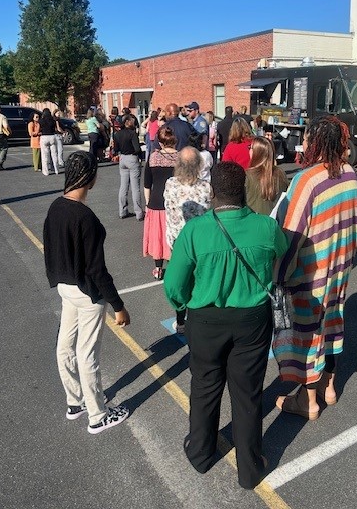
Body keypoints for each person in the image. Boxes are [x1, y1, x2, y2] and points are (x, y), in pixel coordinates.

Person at [164, 162, 288, 489]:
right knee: (247, 393)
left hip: (206, 319)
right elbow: (282, 253)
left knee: (205, 387)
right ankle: (249, 468)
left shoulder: (195, 230)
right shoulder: (266, 226)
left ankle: (201, 454)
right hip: (252, 319)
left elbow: (174, 286)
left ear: (212, 192)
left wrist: (183, 306)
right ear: (244, 190)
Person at [273, 116, 357, 421]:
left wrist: (279, 276)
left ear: (315, 143)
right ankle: (329, 387)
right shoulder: (351, 174)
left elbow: (290, 235)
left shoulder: (307, 180)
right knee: (333, 323)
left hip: (310, 274)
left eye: (307, 139)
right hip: (340, 269)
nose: (304, 144)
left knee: (308, 333)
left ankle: (307, 402)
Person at [43, 151, 130, 434]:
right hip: (87, 291)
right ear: (90, 178)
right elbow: (97, 270)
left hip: (65, 287)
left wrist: (57, 279)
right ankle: (97, 415)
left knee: (65, 345)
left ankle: (74, 401)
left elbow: (51, 250)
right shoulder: (85, 218)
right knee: (86, 353)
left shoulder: (55, 207)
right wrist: (118, 305)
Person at [163, 147, 211, 332]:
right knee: (199, 279)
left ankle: (181, 320)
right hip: (200, 242)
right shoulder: (205, 187)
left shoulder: (171, 184)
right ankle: (198, 316)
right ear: (199, 164)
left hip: (177, 241)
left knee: (181, 281)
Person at [143, 125, 179, 280]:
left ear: (160, 141)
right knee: (172, 236)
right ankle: (173, 268)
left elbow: (147, 184)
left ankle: (158, 268)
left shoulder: (153, 157)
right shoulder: (180, 158)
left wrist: (147, 202)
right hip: (174, 203)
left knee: (158, 238)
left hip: (156, 202)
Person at [245, 136, 289, 215]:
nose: (249, 151)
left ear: (256, 152)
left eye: (250, 148)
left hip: (253, 221)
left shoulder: (247, 176)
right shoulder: (280, 174)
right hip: (274, 221)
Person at [113, 116, 144, 221]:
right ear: (127, 122)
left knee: (123, 186)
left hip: (123, 158)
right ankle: (139, 212)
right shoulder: (132, 134)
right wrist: (140, 157)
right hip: (132, 158)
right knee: (135, 188)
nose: (134, 122)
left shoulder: (117, 134)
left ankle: (122, 211)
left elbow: (116, 149)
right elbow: (137, 149)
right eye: (132, 121)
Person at [39, 108, 59, 176]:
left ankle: (46, 171)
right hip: (52, 136)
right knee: (54, 154)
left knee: (45, 155)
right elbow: (55, 128)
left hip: (44, 137)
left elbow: (40, 129)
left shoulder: (41, 120)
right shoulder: (53, 120)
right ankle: (56, 170)